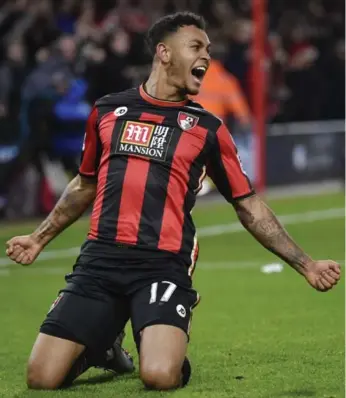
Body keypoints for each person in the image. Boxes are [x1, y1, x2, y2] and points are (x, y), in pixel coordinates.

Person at [6, 11, 341, 391]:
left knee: (159, 375)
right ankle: (104, 345)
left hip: (162, 264)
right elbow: (84, 184)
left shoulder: (207, 129)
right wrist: (38, 238)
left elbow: (248, 206)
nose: (207, 57)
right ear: (164, 53)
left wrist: (306, 264)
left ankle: (162, 333)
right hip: (100, 260)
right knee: (41, 378)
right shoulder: (107, 112)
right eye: (196, 47)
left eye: (209, 50)